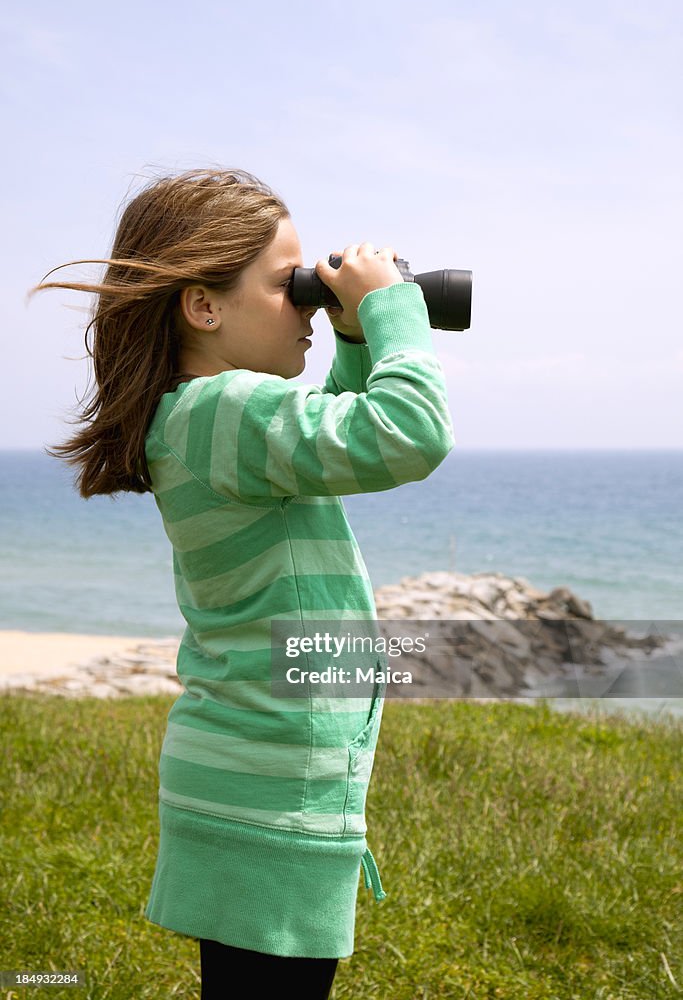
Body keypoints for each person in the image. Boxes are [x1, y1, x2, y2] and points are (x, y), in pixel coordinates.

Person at [31, 168, 455, 999]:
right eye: (288, 285)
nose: (307, 304)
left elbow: (322, 453)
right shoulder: (223, 410)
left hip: (247, 785)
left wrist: (356, 343)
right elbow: (407, 436)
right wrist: (391, 310)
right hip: (270, 799)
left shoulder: (204, 415)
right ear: (203, 305)